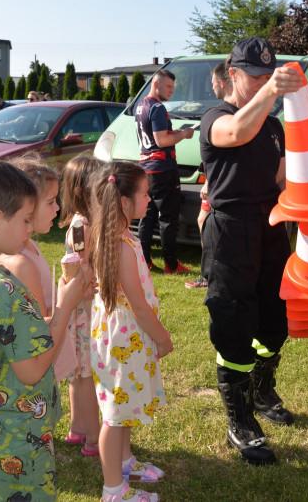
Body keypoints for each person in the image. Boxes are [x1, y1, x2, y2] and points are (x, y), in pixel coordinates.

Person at [0, 157, 93, 502]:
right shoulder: (2, 289)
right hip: (18, 435)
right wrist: (67, 304)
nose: (30, 228)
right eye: (25, 220)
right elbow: (33, 369)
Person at [200, 36, 304, 465]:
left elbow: (285, 179)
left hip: (270, 225)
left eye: (268, 75)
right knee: (233, 320)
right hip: (230, 229)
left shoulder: (275, 126)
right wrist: (271, 92)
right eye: (256, 76)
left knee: (276, 315)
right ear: (233, 75)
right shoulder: (216, 116)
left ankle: (261, 390)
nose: (264, 82)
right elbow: (239, 131)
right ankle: (240, 420)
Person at [90, 161, 171, 502]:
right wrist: (162, 337)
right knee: (114, 416)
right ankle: (113, 490)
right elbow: (137, 305)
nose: (149, 199)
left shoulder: (123, 239)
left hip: (125, 336)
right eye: (144, 194)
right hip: (126, 336)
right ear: (124, 201)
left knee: (122, 409)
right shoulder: (120, 246)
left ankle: (126, 463)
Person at [0, 153, 77, 406]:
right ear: (28, 206)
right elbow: (37, 328)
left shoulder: (30, 245)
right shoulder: (20, 263)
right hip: (36, 371)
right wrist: (68, 300)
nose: (57, 208)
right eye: (51, 202)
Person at [57, 154, 104, 457]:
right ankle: (93, 438)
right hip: (84, 309)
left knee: (80, 372)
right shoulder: (80, 227)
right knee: (86, 376)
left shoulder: (82, 223)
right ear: (81, 192)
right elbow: (81, 268)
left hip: (80, 307)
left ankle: (77, 429)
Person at [135, 69, 195, 275]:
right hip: (163, 169)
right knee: (168, 218)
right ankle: (171, 263)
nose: (171, 91)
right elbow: (161, 142)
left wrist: (174, 133)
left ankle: (145, 261)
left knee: (147, 215)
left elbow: (153, 139)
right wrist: (184, 134)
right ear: (156, 84)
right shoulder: (158, 107)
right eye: (168, 87)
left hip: (146, 169)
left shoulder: (140, 106)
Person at [189, 61, 233, 290]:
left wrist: (208, 182)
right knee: (201, 221)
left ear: (223, 83)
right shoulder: (219, 113)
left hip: (216, 190)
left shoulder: (221, 116)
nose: (211, 87)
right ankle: (208, 273)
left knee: (205, 222)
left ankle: (209, 274)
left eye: (213, 83)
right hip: (212, 185)